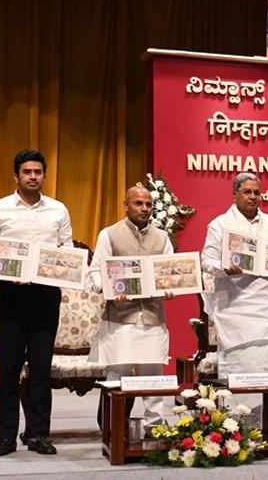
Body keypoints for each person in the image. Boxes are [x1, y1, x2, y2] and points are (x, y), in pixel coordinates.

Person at [0, 150, 71, 456]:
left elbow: (67, 252)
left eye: (37, 172)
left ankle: (37, 434)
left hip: (46, 295)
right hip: (10, 295)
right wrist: (10, 275)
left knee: (41, 368)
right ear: (16, 176)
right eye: (26, 172)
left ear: (44, 175)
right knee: (9, 367)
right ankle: (5, 437)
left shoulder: (58, 210)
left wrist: (54, 265)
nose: (32, 176)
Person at [201, 173, 268, 414]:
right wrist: (224, 269)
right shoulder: (219, 224)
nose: (253, 197)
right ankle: (236, 429)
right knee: (240, 369)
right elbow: (206, 260)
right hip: (236, 309)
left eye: (256, 192)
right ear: (235, 194)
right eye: (247, 192)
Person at [89, 185, 175, 432]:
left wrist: (171, 288)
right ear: (126, 205)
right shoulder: (110, 234)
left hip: (152, 317)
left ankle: (155, 428)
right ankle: (113, 428)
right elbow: (95, 272)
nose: (144, 209)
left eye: (148, 204)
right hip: (120, 318)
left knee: (154, 378)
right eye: (138, 204)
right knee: (118, 376)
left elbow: (169, 272)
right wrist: (109, 290)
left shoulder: (162, 237)